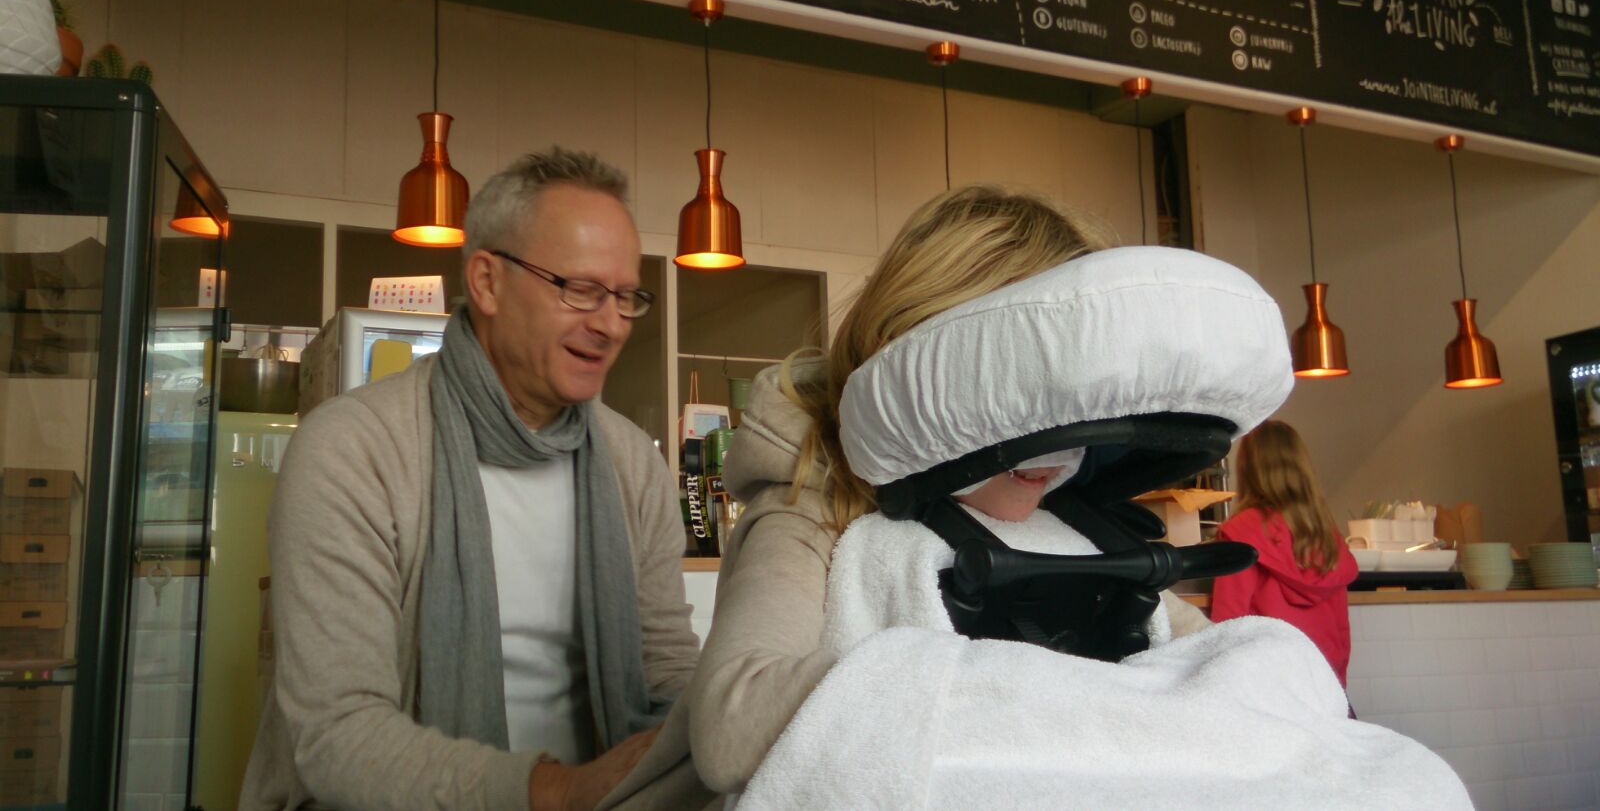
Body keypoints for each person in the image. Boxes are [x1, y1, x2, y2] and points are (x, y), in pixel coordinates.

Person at [681, 185, 1215, 795]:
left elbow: (1200, 654)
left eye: (1073, 404)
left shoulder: (1063, 524)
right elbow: (728, 730)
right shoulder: (809, 512)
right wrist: (998, 677)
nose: (1050, 443)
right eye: (1018, 394)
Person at [241, 148, 709, 811]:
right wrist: (558, 791)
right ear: (487, 282)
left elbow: (666, 670)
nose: (610, 324)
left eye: (625, 296)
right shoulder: (353, 450)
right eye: (580, 289)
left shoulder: (631, 463)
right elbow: (339, 733)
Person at [1209, 419, 1358, 686]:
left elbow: (1228, 624)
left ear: (1248, 470)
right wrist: (1338, 690)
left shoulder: (1241, 533)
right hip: (1324, 683)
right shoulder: (1328, 537)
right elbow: (1341, 631)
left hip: (1267, 683)